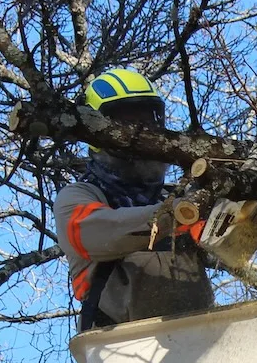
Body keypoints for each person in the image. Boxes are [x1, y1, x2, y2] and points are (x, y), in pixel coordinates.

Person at [54, 68, 213, 330]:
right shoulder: (79, 197)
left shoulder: (176, 198)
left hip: (195, 337)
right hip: (119, 343)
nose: (141, 133)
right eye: (126, 124)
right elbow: (106, 232)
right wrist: (174, 214)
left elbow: (222, 241)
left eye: (147, 122)